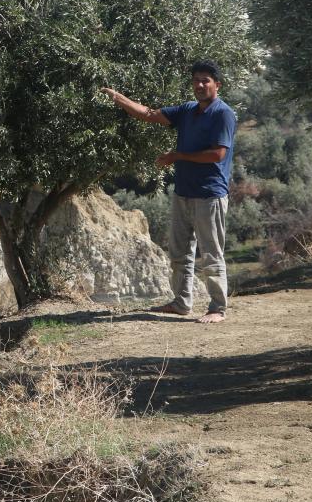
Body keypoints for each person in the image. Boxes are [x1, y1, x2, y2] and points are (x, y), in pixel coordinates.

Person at [100, 60, 237, 324]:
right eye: (196, 80)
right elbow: (149, 114)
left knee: (211, 254)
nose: (199, 85)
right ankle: (181, 303)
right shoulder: (187, 110)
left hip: (209, 195)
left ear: (217, 85)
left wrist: (178, 156)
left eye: (205, 80)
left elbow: (218, 154)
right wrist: (117, 97)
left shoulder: (223, 114)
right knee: (179, 253)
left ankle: (218, 308)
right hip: (183, 192)